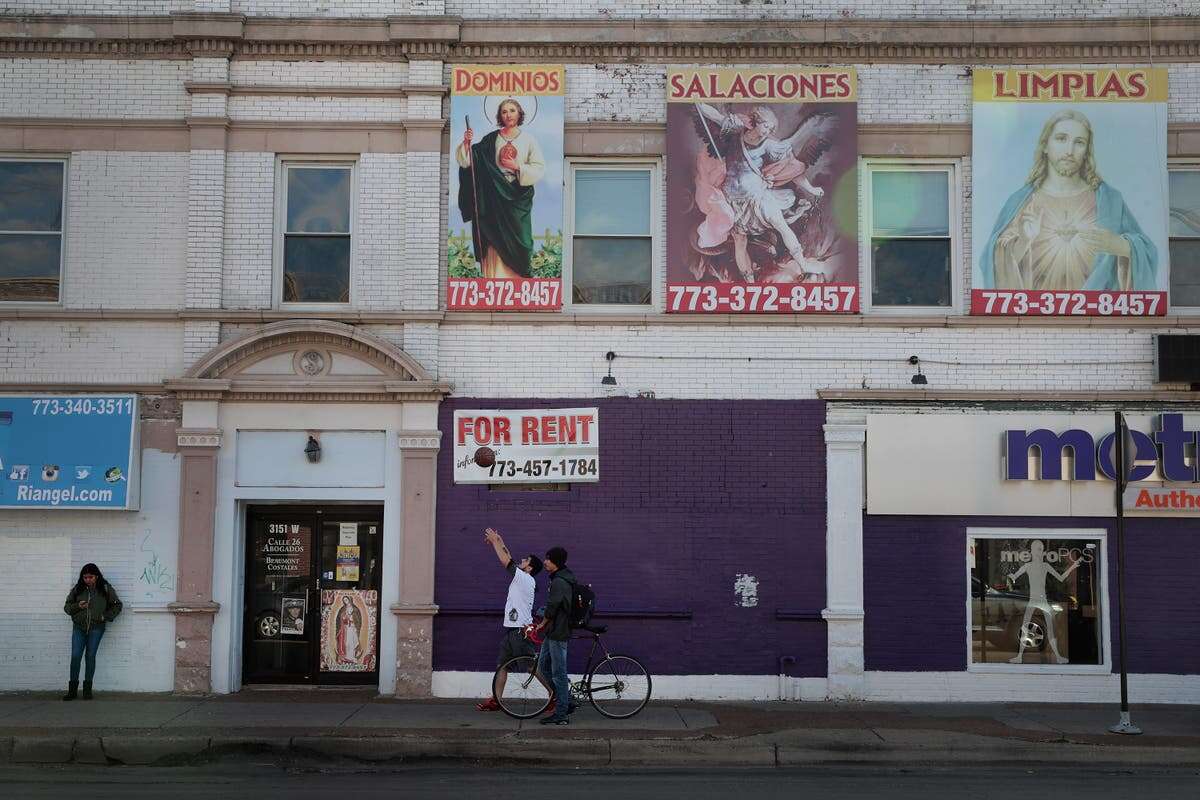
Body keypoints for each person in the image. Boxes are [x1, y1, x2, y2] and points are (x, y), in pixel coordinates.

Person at [978, 108, 1158, 292]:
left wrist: (1120, 245)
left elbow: (1148, 253)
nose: (1069, 150)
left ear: (1087, 150)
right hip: (1035, 315)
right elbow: (992, 263)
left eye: (1079, 142)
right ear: (1045, 145)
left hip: (1098, 314)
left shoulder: (1109, 200)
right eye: (1061, 139)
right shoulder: (1021, 201)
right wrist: (1023, 242)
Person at [693, 103, 835, 282]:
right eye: (766, 126)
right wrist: (697, 102)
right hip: (732, 200)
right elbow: (714, 116)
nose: (768, 131)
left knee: (780, 224)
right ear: (756, 122)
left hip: (758, 197)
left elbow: (793, 170)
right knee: (740, 241)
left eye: (771, 128)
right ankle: (751, 284)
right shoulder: (736, 132)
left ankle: (803, 263)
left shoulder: (770, 146)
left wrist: (811, 189)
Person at [455, 98, 546, 280]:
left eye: (512, 110)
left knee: (522, 242)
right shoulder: (491, 139)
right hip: (493, 197)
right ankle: (495, 278)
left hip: (517, 196)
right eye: (504, 111)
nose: (508, 115)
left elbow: (538, 168)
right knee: (493, 238)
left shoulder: (529, 140)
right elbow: (469, 161)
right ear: (499, 116)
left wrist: (517, 167)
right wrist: (466, 143)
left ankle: (517, 280)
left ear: (519, 113)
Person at [477, 526, 544, 712]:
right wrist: (499, 540)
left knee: (531, 666)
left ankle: (553, 695)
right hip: (511, 630)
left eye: (526, 560)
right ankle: (497, 701)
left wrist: (494, 542)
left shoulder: (525, 579)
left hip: (520, 631)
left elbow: (505, 560)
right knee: (502, 666)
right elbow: (510, 557)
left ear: (529, 567)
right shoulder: (521, 577)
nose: (522, 560)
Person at [62, 563, 122, 701]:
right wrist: (78, 605)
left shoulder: (105, 589)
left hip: (96, 628)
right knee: (76, 656)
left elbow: (118, 605)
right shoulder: (78, 589)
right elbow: (67, 607)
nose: (87, 580)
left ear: (97, 576)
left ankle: (87, 690)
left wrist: (105, 616)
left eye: (90, 577)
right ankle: (72, 691)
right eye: (85, 577)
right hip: (79, 628)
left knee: (90, 657)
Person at [537, 546, 577, 725]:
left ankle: (561, 714)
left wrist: (542, 623)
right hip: (553, 632)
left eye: (548, 559)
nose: (545, 561)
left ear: (557, 562)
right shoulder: (560, 578)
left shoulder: (560, 581)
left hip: (558, 632)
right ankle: (566, 700)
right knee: (543, 666)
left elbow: (552, 607)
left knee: (558, 673)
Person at [335, 595, 362, 664]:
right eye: (344, 601)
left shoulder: (355, 609)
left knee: (352, 643)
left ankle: (352, 657)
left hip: (352, 628)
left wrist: (353, 621)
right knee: (346, 643)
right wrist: (344, 619)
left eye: (346, 600)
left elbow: (358, 620)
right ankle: (346, 657)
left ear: (350, 600)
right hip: (345, 629)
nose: (345, 601)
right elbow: (339, 619)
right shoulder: (342, 609)